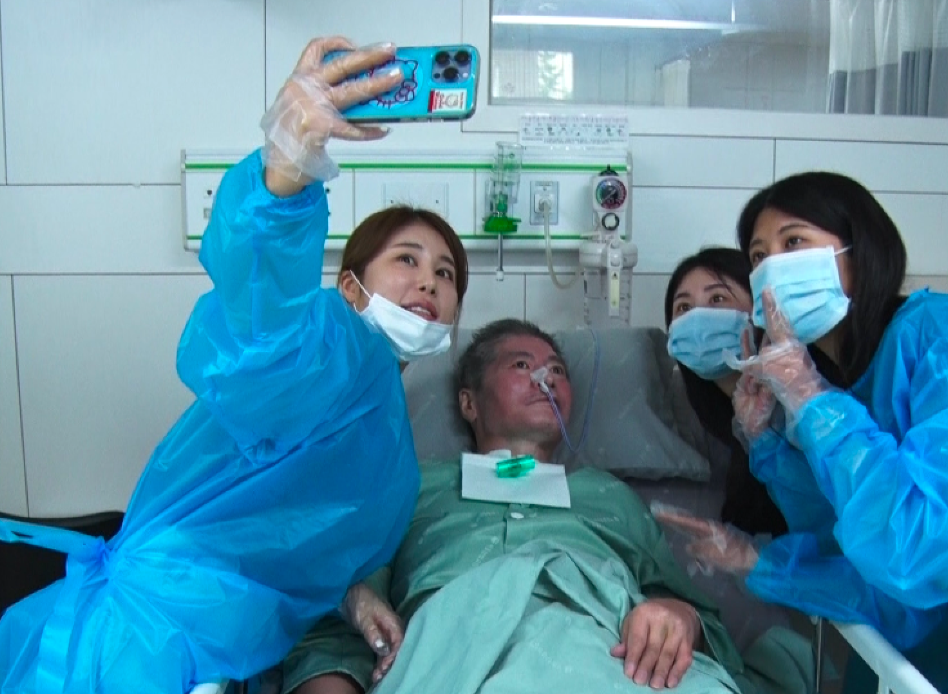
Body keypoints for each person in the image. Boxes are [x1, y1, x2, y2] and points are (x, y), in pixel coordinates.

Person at [0, 37, 468, 693]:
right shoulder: (330, 345)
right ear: (351, 286)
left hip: (217, 650)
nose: (428, 281)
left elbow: (294, 541)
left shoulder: (391, 452)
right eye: (407, 259)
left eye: (446, 274)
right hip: (149, 637)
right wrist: (286, 169)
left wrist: (353, 597)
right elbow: (262, 326)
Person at [658, 171, 948, 694]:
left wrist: (812, 401)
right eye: (758, 256)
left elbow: (921, 551)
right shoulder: (849, 385)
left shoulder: (945, 339)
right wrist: (759, 548)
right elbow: (860, 549)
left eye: (793, 242)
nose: (772, 267)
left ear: (860, 250)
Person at [281, 319, 814, 694]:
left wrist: (679, 616)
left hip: (613, 653)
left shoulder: (609, 495)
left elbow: (683, 604)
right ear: (468, 402)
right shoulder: (413, 487)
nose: (548, 378)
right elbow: (345, 611)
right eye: (523, 365)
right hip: (454, 647)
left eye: (558, 370)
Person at [664, 248, 787, 537]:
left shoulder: (792, 406)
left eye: (717, 299)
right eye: (683, 308)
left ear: (759, 309)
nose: (698, 318)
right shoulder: (725, 422)